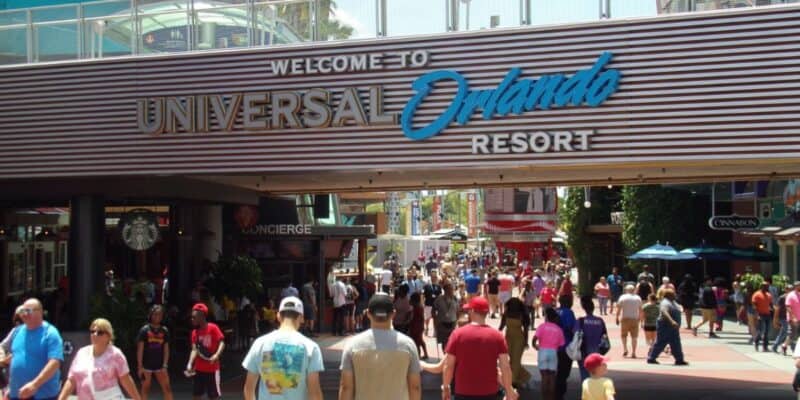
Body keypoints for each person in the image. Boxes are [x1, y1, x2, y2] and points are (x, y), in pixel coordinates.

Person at [339, 293, 422, 400]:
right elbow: (415, 387)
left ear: (368, 313)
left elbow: (346, 387)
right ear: (393, 314)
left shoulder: (352, 345)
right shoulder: (408, 345)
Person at [242, 296, 323, 400]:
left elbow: (249, 389)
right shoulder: (311, 347)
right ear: (302, 318)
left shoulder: (259, 344)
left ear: (278, 316)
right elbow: (315, 393)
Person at [442, 296, 518, 400]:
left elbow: (448, 365)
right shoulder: (497, 336)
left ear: (472, 311)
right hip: (489, 393)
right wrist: (509, 390)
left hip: (463, 393)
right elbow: (505, 366)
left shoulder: (457, 334)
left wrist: (446, 387)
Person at [58, 318, 141, 400]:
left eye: (100, 332)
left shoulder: (115, 354)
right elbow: (72, 379)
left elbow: (125, 379)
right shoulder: (82, 353)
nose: (94, 334)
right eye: (92, 331)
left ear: (108, 336)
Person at [9, 298, 63, 400]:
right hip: (17, 395)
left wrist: (34, 384)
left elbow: (55, 362)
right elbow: (15, 357)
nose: (24, 314)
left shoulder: (50, 333)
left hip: (42, 395)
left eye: (28, 311)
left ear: (40, 312)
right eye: (22, 311)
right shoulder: (17, 332)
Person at [186, 303, 225, 400]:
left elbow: (222, 343)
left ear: (202, 317)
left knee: (213, 396)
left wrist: (216, 355)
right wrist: (190, 363)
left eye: (194, 317)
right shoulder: (194, 332)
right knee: (196, 396)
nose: (192, 319)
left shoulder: (213, 328)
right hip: (199, 369)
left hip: (212, 370)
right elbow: (194, 349)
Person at [137, 305, 173, 400]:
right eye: (155, 314)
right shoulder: (144, 330)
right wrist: (140, 366)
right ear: (151, 315)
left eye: (160, 314)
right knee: (145, 389)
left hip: (160, 365)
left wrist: (165, 365)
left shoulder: (165, 331)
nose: (157, 316)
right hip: (146, 365)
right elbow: (140, 349)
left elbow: (166, 349)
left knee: (167, 389)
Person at [647, 289, 688, 365]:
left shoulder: (673, 302)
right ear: (668, 295)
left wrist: (681, 308)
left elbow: (679, 307)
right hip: (665, 325)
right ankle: (651, 358)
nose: (675, 295)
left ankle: (679, 359)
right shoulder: (665, 302)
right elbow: (664, 311)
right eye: (673, 294)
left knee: (676, 342)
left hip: (673, 327)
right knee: (661, 341)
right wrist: (672, 321)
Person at [532, 308, 565, 400]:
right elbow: (561, 344)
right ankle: (551, 398)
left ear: (546, 317)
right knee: (552, 377)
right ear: (555, 319)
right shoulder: (559, 329)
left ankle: (544, 398)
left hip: (542, 352)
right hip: (553, 353)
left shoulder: (541, 326)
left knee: (544, 377)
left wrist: (535, 346)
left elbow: (535, 338)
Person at [499, 297, 531, 390]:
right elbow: (501, 326)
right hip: (508, 338)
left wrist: (525, 342)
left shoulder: (522, 314)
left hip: (518, 339)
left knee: (516, 360)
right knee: (511, 361)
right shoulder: (507, 313)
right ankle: (524, 376)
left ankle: (513, 382)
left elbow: (526, 330)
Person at [576, 296, 609, 381]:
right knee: (596, 375)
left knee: (584, 375)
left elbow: (575, 334)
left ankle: (587, 392)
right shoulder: (600, 321)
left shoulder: (580, 321)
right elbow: (604, 335)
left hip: (584, 350)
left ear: (584, 308)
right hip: (597, 351)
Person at [555, 295, 576, 400]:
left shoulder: (555, 311)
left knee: (556, 371)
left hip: (554, 346)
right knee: (564, 373)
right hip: (565, 347)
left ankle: (555, 392)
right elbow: (571, 327)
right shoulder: (569, 312)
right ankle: (560, 394)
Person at [616, 284, 642, 358]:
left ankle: (625, 348)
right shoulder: (638, 298)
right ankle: (634, 352)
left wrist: (617, 317)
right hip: (635, 319)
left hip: (625, 318)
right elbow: (640, 310)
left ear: (626, 290)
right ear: (633, 290)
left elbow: (619, 308)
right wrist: (640, 319)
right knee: (634, 337)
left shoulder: (622, 297)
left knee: (624, 335)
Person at [432, 283, 459, 351]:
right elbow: (433, 309)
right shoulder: (439, 299)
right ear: (445, 290)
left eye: (452, 289)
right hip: (442, 323)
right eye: (450, 289)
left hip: (452, 323)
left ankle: (449, 356)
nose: (452, 291)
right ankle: (445, 355)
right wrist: (435, 318)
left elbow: (458, 310)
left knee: (452, 341)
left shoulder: (455, 299)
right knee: (444, 342)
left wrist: (456, 320)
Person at [752, 282, 774, 352]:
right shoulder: (757, 294)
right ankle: (756, 343)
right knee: (761, 330)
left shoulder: (769, 295)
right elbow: (754, 305)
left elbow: (771, 304)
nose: (766, 288)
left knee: (767, 332)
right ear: (761, 286)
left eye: (767, 286)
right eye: (764, 286)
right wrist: (757, 315)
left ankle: (765, 347)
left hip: (767, 314)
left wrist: (772, 312)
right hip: (760, 314)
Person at [409, 293, 429, 359]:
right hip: (419, 326)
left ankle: (418, 356)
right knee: (420, 340)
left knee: (416, 342)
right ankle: (425, 354)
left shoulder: (416, 307)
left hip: (416, 327)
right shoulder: (419, 306)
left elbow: (413, 317)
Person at [773, 285, 792, 355]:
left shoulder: (792, 297)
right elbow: (777, 308)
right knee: (785, 332)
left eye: (790, 289)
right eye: (788, 289)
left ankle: (779, 346)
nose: (789, 290)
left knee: (785, 333)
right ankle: (776, 346)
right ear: (785, 290)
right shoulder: (782, 298)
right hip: (783, 317)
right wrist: (775, 318)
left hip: (789, 317)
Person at [423, 271, 443, 336]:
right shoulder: (427, 286)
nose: (433, 278)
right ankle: (427, 328)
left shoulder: (438, 286)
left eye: (435, 277)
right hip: (428, 304)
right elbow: (423, 295)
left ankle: (435, 331)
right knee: (427, 318)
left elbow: (440, 295)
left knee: (435, 318)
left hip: (436, 305)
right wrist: (423, 303)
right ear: (430, 277)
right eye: (432, 277)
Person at [786, 281, 800, 350]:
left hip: (799, 318)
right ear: (795, 287)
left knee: (797, 334)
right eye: (798, 285)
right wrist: (793, 317)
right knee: (792, 334)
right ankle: (784, 346)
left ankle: (796, 348)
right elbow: (788, 307)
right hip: (793, 319)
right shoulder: (790, 295)